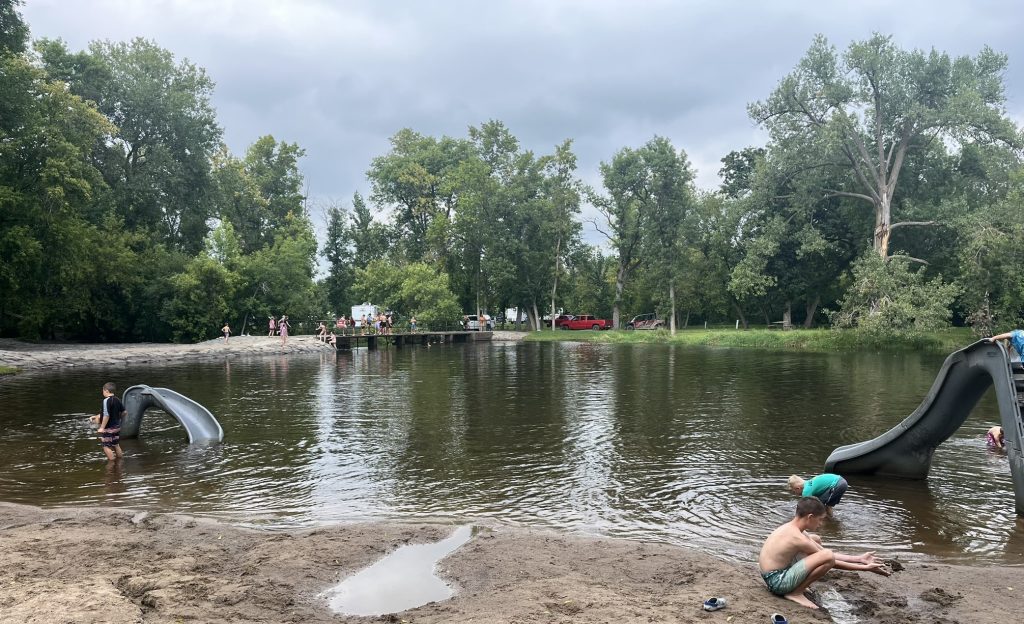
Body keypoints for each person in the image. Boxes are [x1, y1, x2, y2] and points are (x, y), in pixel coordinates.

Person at [758, 497, 889, 609]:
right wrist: (865, 568)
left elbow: (820, 552)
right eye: (820, 519)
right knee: (827, 556)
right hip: (777, 582)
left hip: (774, 575)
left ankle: (796, 586)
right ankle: (795, 593)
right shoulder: (797, 538)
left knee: (816, 539)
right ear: (810, 517)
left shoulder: (793, 528)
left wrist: (859, 558)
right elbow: (830, 559)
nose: (821, 524)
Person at [88, 382, 125, 461]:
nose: (103, 392)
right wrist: (117, 418)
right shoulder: (117, 399)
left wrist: (102, 428)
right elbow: (124, 412)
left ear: (106, 391)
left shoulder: (106, 401)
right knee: (116, 444)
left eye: (103, 391)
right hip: (117, 427)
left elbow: (106, 415)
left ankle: (112, 463)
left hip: (109, 428)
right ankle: (120, 462)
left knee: (106, 446)